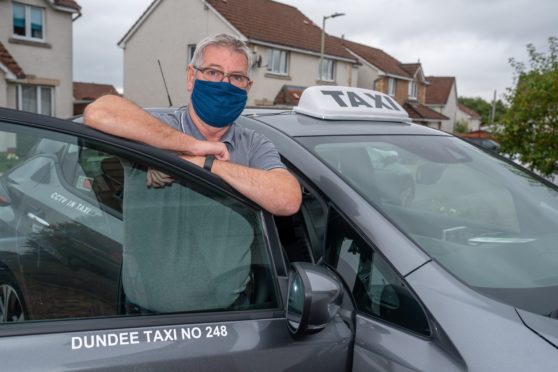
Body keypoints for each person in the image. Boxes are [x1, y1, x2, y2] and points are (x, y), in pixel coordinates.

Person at [83, 33, 302, 313]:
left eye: (236, 77)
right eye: (213, 72)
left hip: (232, 318)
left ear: (247, 86)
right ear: (191, 76)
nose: (225, 84)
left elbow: (287, 199)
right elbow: (98, 112)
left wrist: (205, 163)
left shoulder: (255, 144)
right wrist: (191, 146)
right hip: (144, 320)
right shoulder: (156, 129)